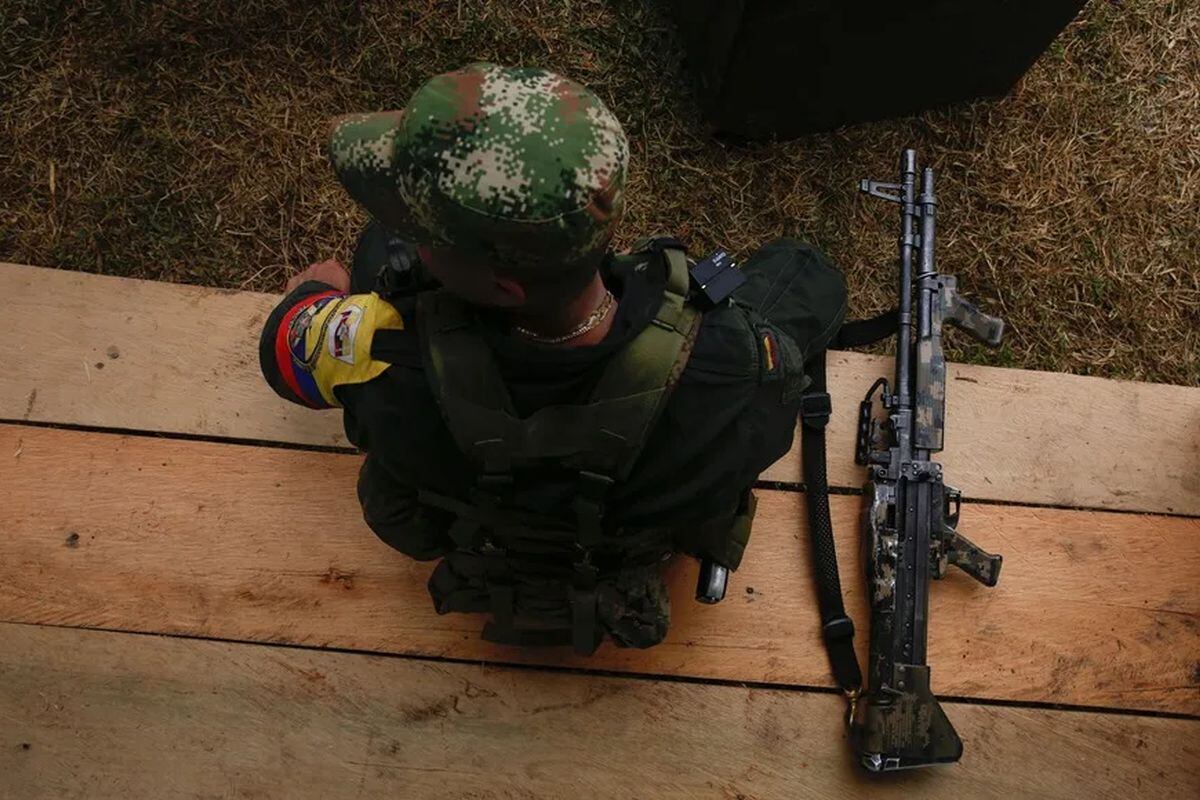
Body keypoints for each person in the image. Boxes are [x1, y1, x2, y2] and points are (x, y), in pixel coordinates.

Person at [259, 63, 847, 653]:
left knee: (374, 247)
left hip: (465, 521)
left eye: (425, 237)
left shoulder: (382, 356)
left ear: (504, 288)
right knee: (806, 270)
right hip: (631, 539)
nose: (413, 242)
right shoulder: (736, 369)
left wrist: (319, 294)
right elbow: (758, 442)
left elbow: (284, 353)